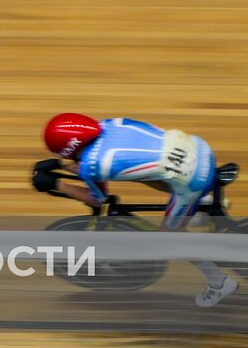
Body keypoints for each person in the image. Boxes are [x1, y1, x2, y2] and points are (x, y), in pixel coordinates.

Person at [32, 113, 237, 307]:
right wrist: (61, 164)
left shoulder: (95, 165)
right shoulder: (108, 124)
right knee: (149, 173)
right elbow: (98, 159)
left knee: (172, 238)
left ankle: (219, 283)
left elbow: (97, 199)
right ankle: (204, 203)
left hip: (193, 178)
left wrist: (56, 183)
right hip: (197, 147)